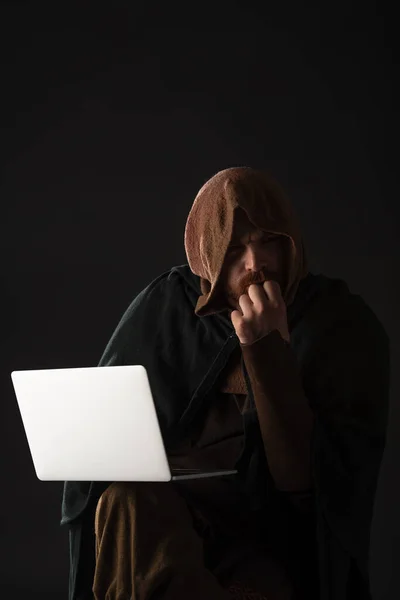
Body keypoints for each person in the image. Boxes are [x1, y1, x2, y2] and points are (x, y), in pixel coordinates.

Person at [61, 167, 390, 600]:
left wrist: (267, 348)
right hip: (175, 515)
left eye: (269, 241)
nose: (256, 265)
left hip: (267, 532)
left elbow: (309, 490)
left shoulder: (339, 323)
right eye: (235, 249)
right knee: (126, 501)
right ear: (207, 253)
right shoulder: (167, 308)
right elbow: (100, 451)